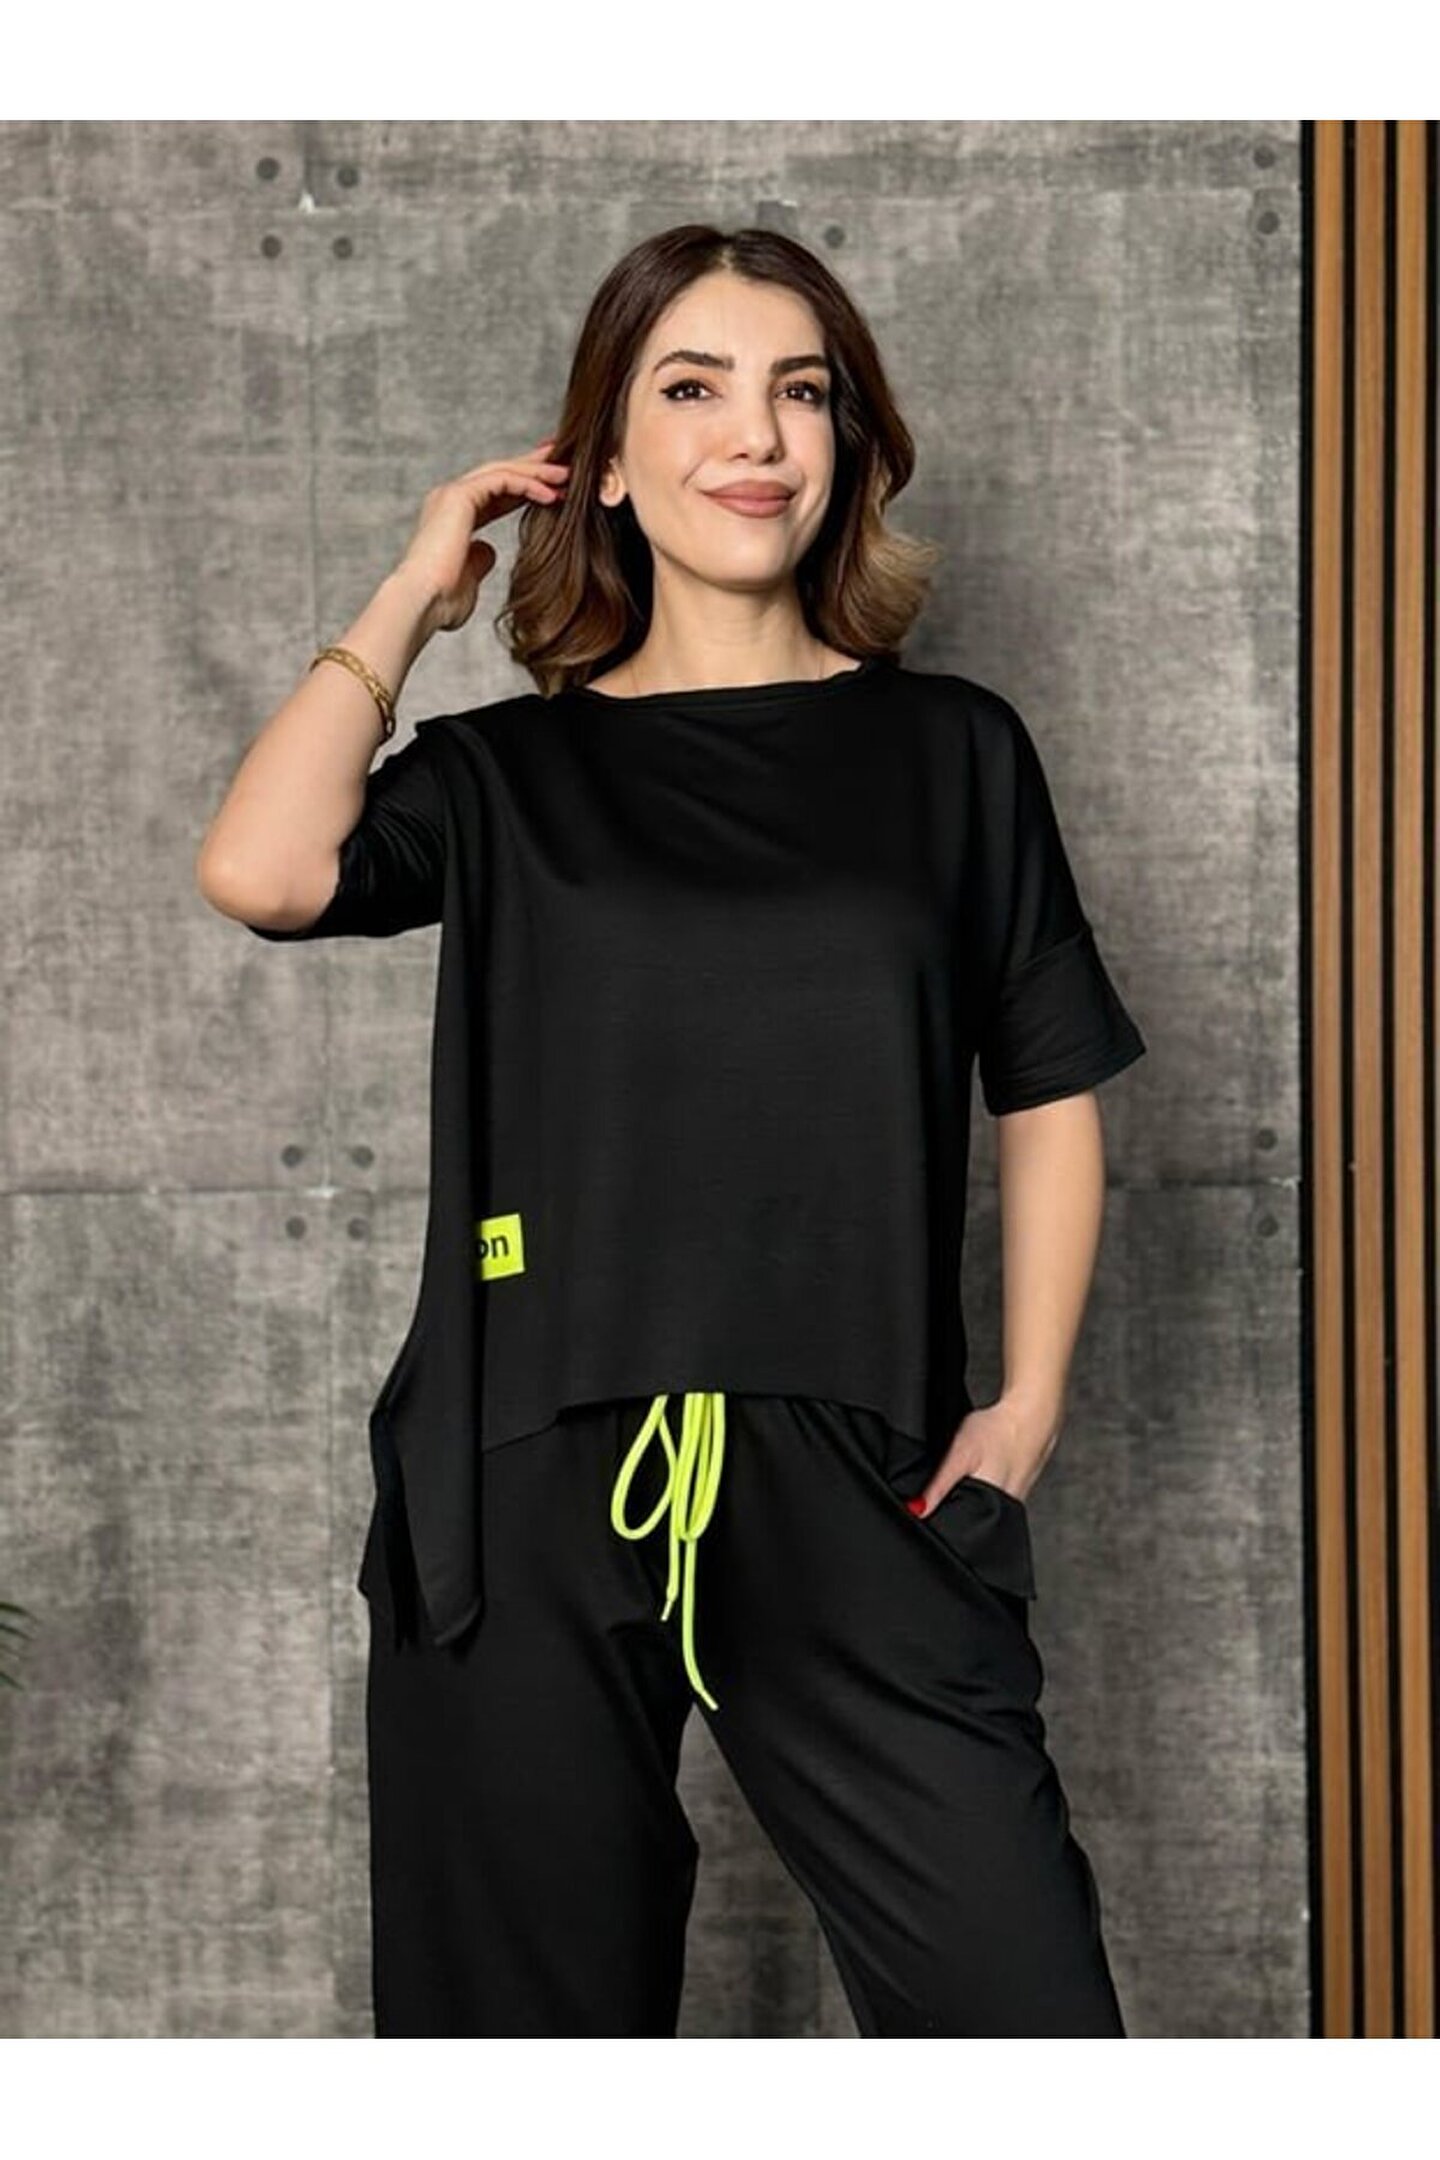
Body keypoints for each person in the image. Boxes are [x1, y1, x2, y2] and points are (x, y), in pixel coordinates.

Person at [196, 224, 1146, 2039]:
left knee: (1023, 2037)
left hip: (858, 1469)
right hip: (528, 1472)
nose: (755, 434)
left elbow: (1046, 1087)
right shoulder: (508, 777)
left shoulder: (954, 754)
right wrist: (413, 592)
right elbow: (264, 870)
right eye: (692, 389)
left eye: (802, 392)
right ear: (608, 464)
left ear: (846, 443)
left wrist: (1024, 1411)